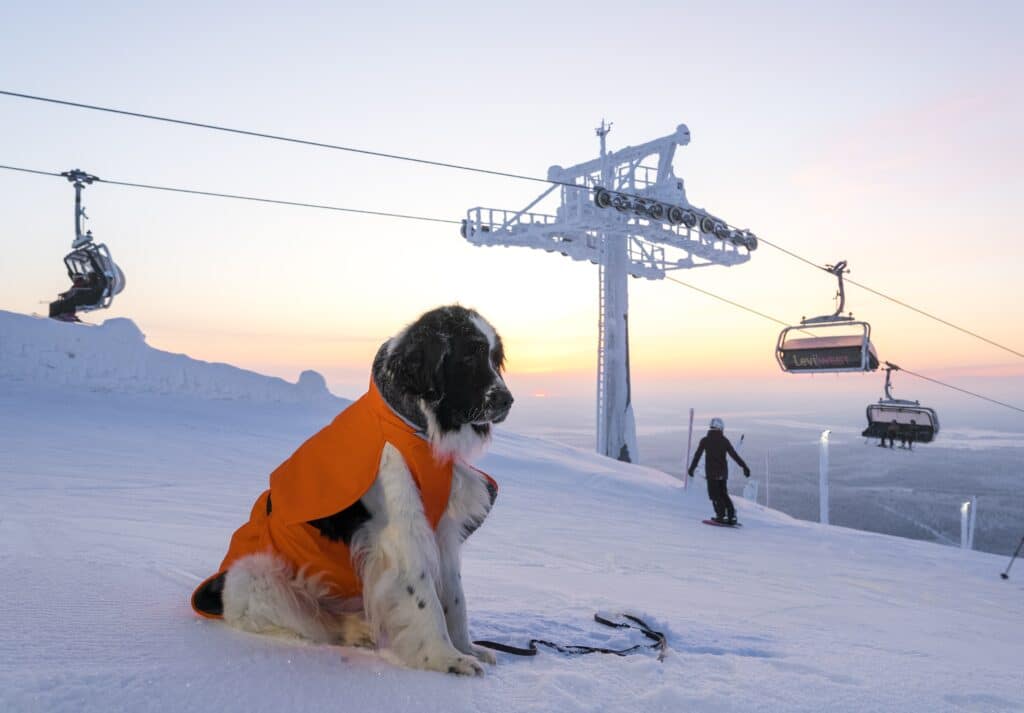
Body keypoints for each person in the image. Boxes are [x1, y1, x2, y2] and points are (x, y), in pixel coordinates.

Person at [688, 417, 750, 525]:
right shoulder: (724, 441)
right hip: (723, 473)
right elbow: (734, 455)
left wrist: (692, 468)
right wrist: (744, 467)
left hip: (712, 473)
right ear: (720, 428)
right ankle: (731, 516)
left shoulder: (705, 440)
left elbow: (697, 456)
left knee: (715, 495)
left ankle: (721, 516)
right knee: (724, 494)